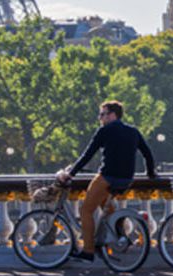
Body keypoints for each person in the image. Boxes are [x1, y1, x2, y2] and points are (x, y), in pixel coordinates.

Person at [57, 101, 157, 261]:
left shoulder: (104, 131)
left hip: (107, 177)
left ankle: (88, 250)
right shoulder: (133, 131)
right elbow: (147, 153)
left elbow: (87, 155)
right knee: (107, 208)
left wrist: (71, 173)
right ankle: (117, 237)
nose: (100, 118)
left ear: (112, 115)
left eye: (102, 114)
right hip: (126, 179)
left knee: (86, 211)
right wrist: (151, 173)